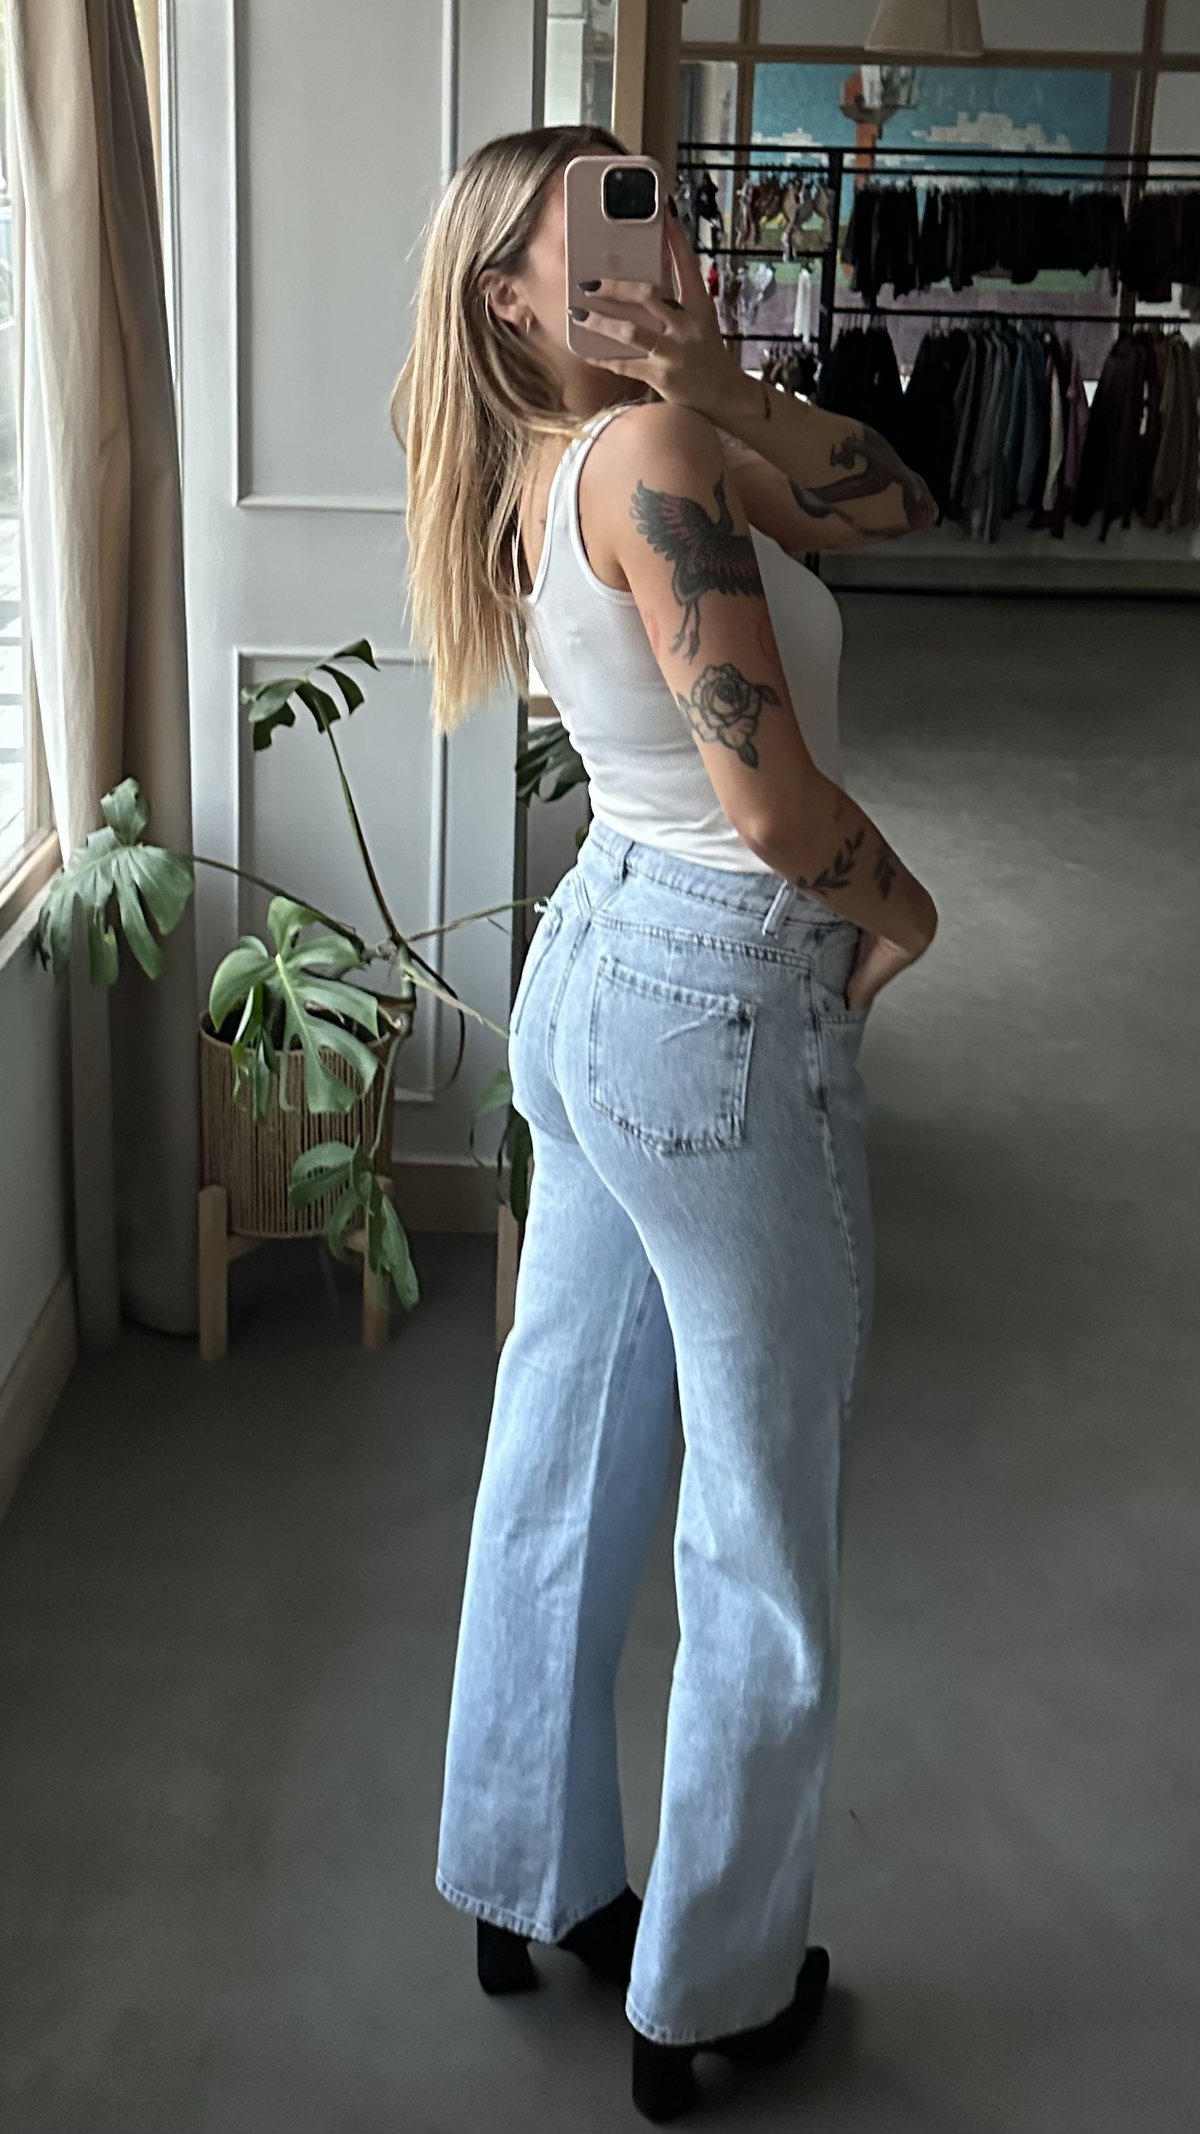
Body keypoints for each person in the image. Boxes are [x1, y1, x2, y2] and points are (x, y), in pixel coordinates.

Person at [392, 124, 939, 2125]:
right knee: (759, 1524)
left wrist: (732, 387)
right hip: (718, 994)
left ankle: (518, 1874)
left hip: (601, 963)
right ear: (508, 296)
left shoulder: (582, 448)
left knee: (558, 1446)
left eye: (668, 211)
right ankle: (708, 1986)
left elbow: (898, 500)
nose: (665, 246)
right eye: (605, 230)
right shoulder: (651, 462)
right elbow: (777, 806)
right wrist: (907, 907)